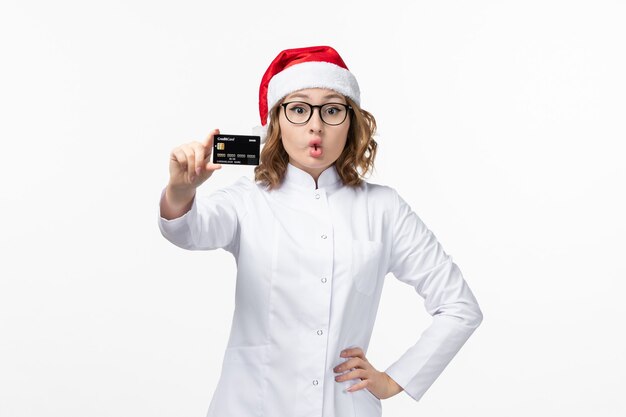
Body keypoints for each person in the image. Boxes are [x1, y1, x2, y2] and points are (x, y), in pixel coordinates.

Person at [158, 45, 483, 417]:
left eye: (332, 110)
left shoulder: (383, 208)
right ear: (276, 123)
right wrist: (181, 190)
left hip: (343, 407)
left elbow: (460, 308)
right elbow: (188, 231)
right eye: (298, 109)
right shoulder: (247, 200)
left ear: (351, 122)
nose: (316, 125)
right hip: (251, 403)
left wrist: (395, 379)